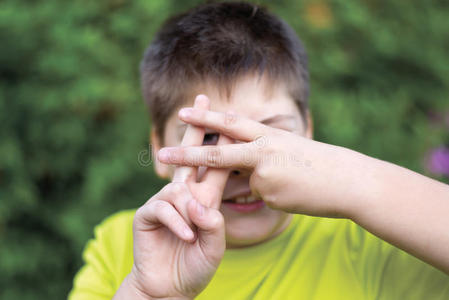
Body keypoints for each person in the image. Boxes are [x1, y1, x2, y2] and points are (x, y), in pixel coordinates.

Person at [69, 2, 449, 299]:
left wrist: (351, 181)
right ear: (158, 149)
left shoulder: (375, 237)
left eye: (268, 135)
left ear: (308, 134)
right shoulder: (123, 248)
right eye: (208, 137)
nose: (240, 162)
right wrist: (149, 294)